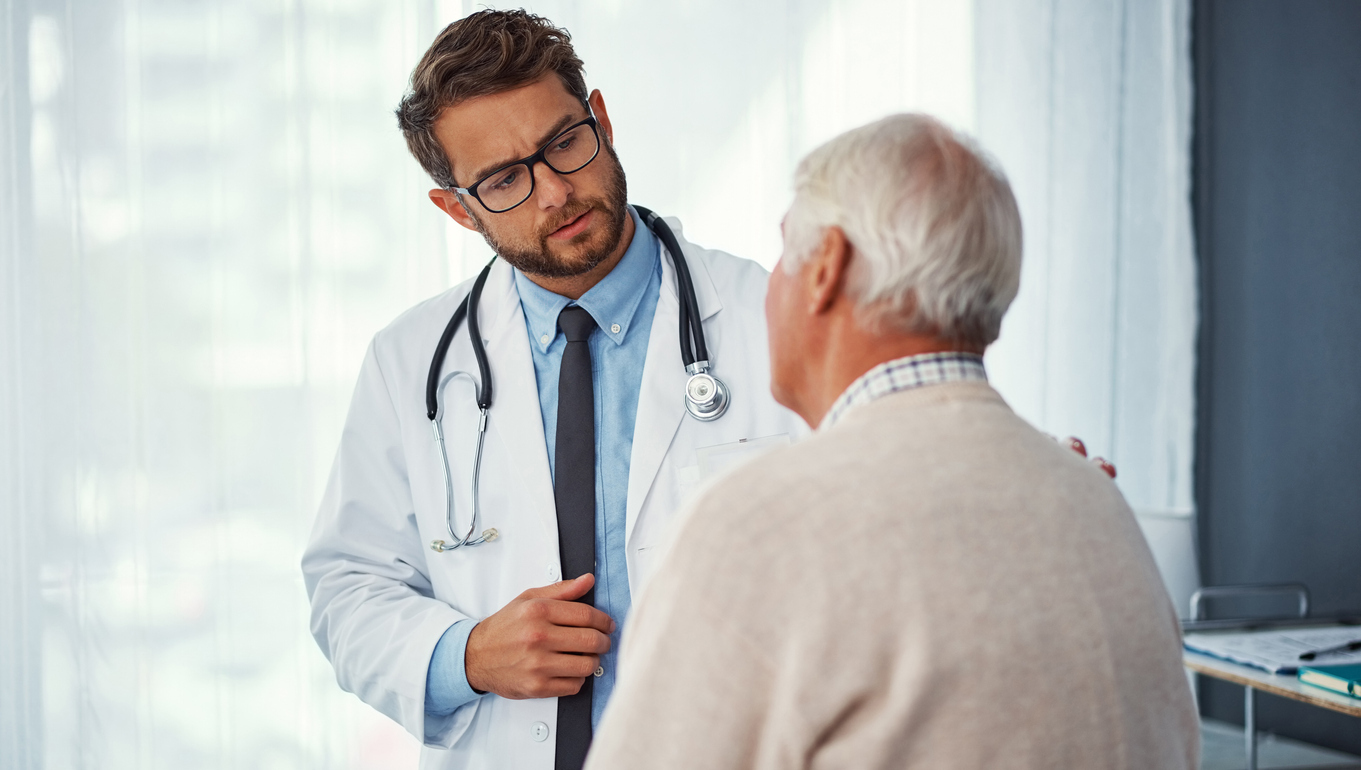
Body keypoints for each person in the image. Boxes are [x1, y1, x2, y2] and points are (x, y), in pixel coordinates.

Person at [585, 114, 1199, 770]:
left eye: (784, 251)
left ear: (826, 268)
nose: (767, 290)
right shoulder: (1097, 502)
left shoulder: (755, 529)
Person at [300, 10, 805, 770]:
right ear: (457, 209)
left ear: (598, 117)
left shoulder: (772, 320)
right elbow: (348, 585)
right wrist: (463, 655)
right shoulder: (408, 363)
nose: (554, 193)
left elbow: (880, 538)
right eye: (504, 179)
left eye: (564, 143)